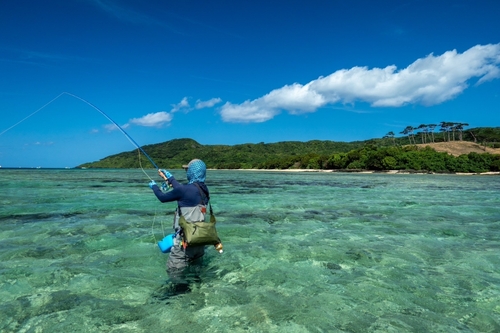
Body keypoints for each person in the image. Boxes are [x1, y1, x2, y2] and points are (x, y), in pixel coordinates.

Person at [148, 159, 210, 292]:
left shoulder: (185, 190)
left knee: (174, 273)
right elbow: (183, 190)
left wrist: (154, 186)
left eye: (188, 170)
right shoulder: (204, 190)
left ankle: (181, 298)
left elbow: (162, 198)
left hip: (185, 243)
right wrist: (170, 178)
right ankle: (198, 292)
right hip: (200, 240)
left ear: (192, 172)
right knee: (195, 272)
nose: (186, 172)